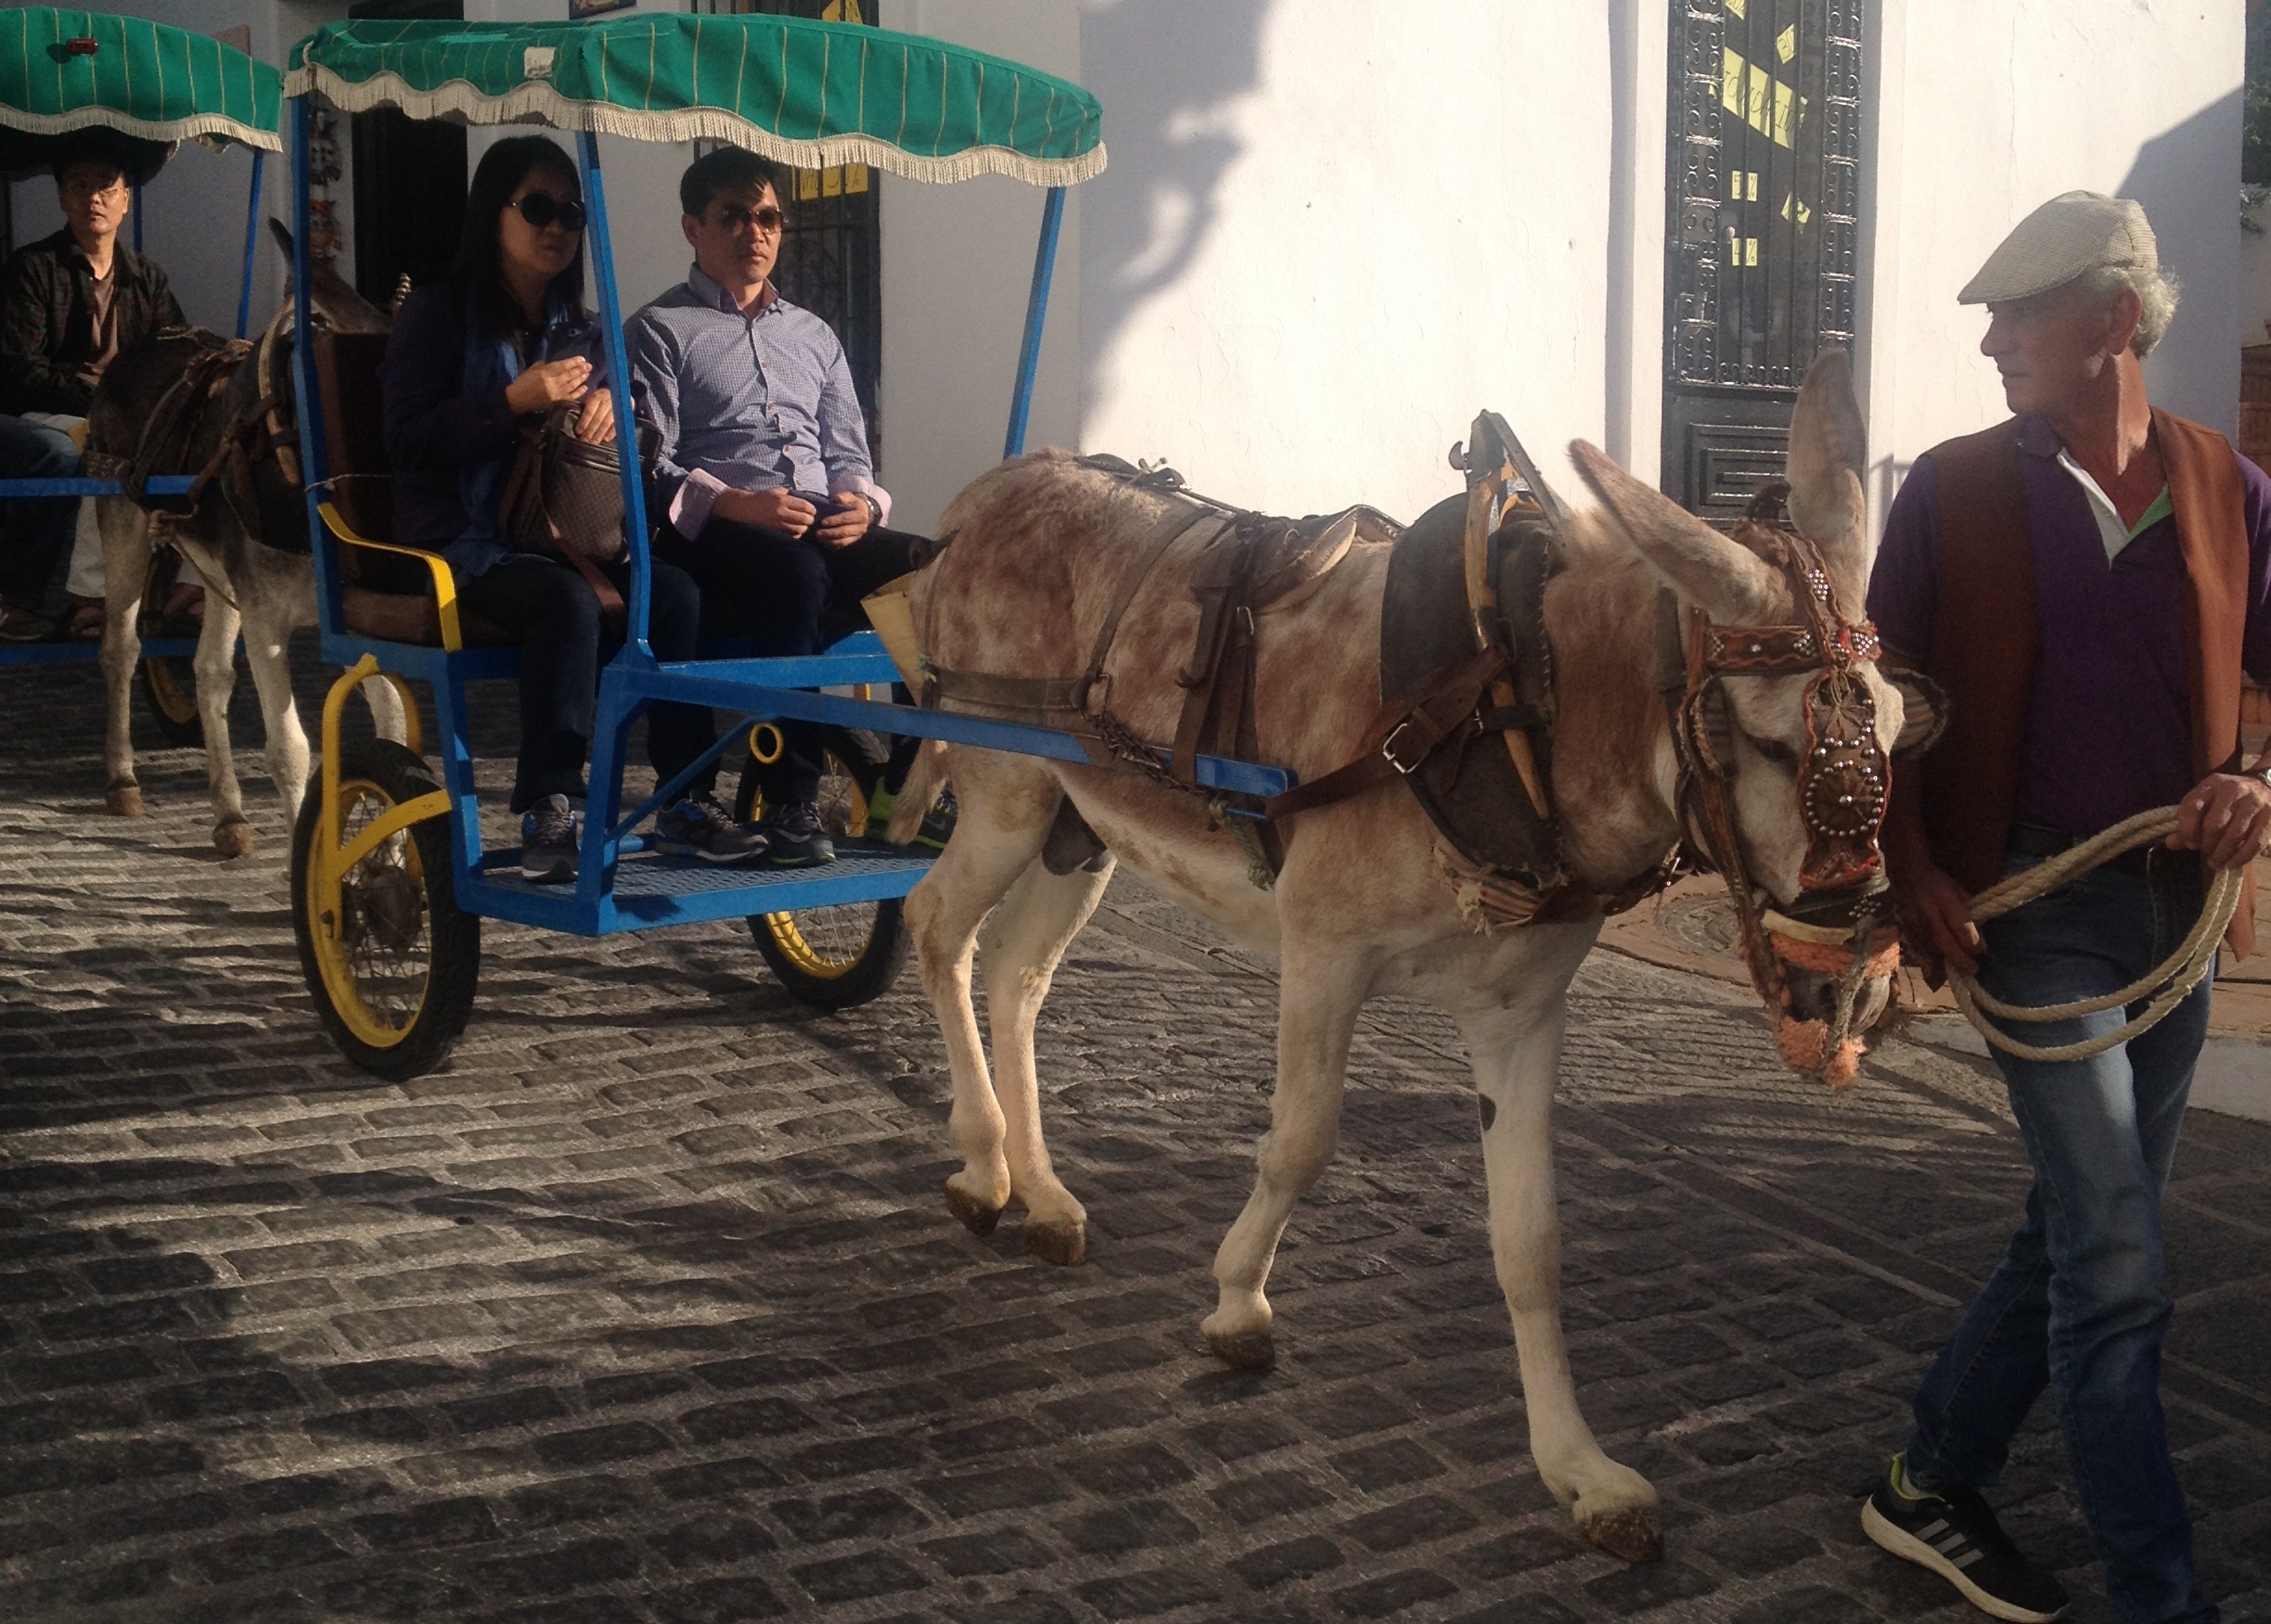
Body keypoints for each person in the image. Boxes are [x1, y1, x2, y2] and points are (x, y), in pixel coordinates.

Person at [1863, 192, 2271, 1624]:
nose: (1990, 341)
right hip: (2027, 912)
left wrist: (2253, 779)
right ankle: (2161, 1595)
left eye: (2017, 312)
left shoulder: (2228, 485)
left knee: (2078, 1226)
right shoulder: (1952, 489)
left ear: (2114, 318)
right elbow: (1880, 706)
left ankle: (1929, 1474)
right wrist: (1912, 868)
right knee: (2116, 1260)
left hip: (2178, 920)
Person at [380, 135, 761, 883]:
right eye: (537, 208)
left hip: (565, 534)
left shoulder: (583, 327)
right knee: (567, 602)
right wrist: (512, 401)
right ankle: (550, 802)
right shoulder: (435, 315)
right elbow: (407, 440)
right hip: (462, 541)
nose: (556, 226)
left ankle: (685, 798)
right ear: (493, 213)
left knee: (674, 594)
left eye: (571, 212)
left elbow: (634, 414)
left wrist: (618, 407)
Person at [628, 146, 932, 866]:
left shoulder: (814, 335)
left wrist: (862, 505)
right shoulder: (659, 329)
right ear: (693, 228)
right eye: (735, 216)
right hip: (714, 528)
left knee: (930, 568)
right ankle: (794, 801)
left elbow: (848, 450)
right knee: (797, 574)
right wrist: (741, 504)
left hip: (817, 519)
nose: (756, 232)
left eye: (768, 217)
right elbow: (650, 465)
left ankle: (911, 785)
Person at [0, 129, 186, 642]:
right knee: (92, 448)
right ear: (63, 197)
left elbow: (174, 352)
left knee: (199, 445)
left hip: (131, 414)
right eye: (79, 185)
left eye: (106, 185)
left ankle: (193, 588)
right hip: (49, 411)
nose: (94, 198)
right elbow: (20, 370)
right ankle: (88, 599)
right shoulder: (34, 269)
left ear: (126, 199)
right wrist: (102, 402)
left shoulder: (148, 279)